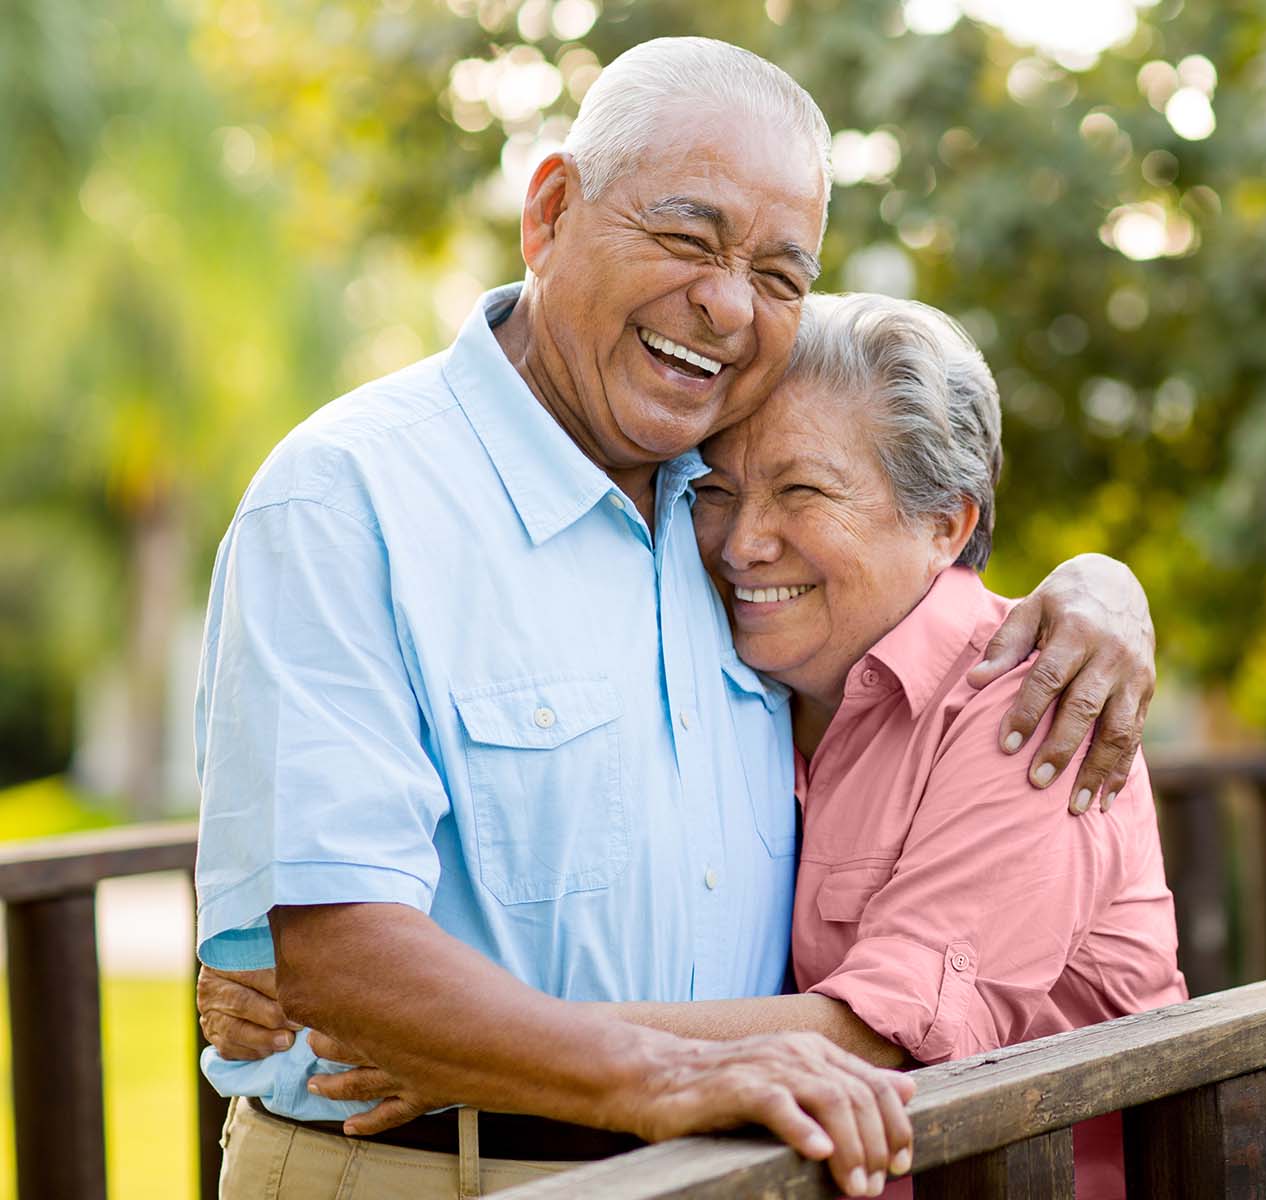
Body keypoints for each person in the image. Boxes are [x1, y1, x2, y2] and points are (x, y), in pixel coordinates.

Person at [192, 38, 1156, 1199]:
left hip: (736, 1169)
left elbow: (903, 559)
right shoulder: (350, 499)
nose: (727, 302)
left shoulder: (715, 510)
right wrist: (614, 1069)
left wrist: (1103, 584)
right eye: (688, 236)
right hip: (431, 1172)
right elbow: (337, 955)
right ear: (548, 213)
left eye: (781, 275)